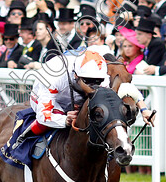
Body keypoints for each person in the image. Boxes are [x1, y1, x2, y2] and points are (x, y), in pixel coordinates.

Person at [25, 50, 153, 138]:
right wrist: (65, 120)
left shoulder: (102, 75)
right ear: (76, 75)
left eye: (98, 81)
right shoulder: (53, 78)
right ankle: (23, 137)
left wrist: (144, 110)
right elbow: (44, 115)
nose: (94, 86)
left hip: (76, 99)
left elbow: (127, 88)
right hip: (50, 100)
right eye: (89, 81)